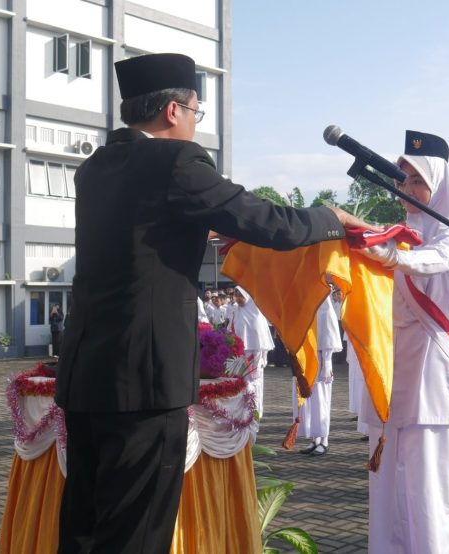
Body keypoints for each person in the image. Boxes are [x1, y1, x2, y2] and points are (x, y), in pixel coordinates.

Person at [54, 53, 376, 553]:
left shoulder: (96, 168)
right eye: (197, 113)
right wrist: (330, 217)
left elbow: (141, 243)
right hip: (145, 377)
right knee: (135, 532)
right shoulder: (176, 162)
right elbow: (269, 222)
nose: (195, 126)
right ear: (174, 111)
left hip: (87, 372)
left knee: (85, 522)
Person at [360, 131, 449, 553]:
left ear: (440, 184)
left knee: (426, 484)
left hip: (430, 363)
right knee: (386, 479)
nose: (406, 190)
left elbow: (439, 259)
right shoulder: (396, 230)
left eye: (417, 181)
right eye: (403, 180)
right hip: (390, 363)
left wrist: (396, 258)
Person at [293, 294, 343, 456]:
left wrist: (327, 362)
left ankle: (324, 439)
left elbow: (329, 335)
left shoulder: (325, 307)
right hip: (306, 359)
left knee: (321, 400)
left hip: (321, 360)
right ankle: (315, 438)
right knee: (309, 401)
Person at [228, 286, 274, 418]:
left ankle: (254, 414)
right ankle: (241, 415)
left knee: (253, 385)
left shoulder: (256, 314)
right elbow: (231, 330)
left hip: (254, 357)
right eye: (235, 295)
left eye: (240, 295)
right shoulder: (236, 311)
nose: (237, 298)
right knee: (240, 387)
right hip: (237, 356)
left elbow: (261, 338)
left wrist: (259, 358)